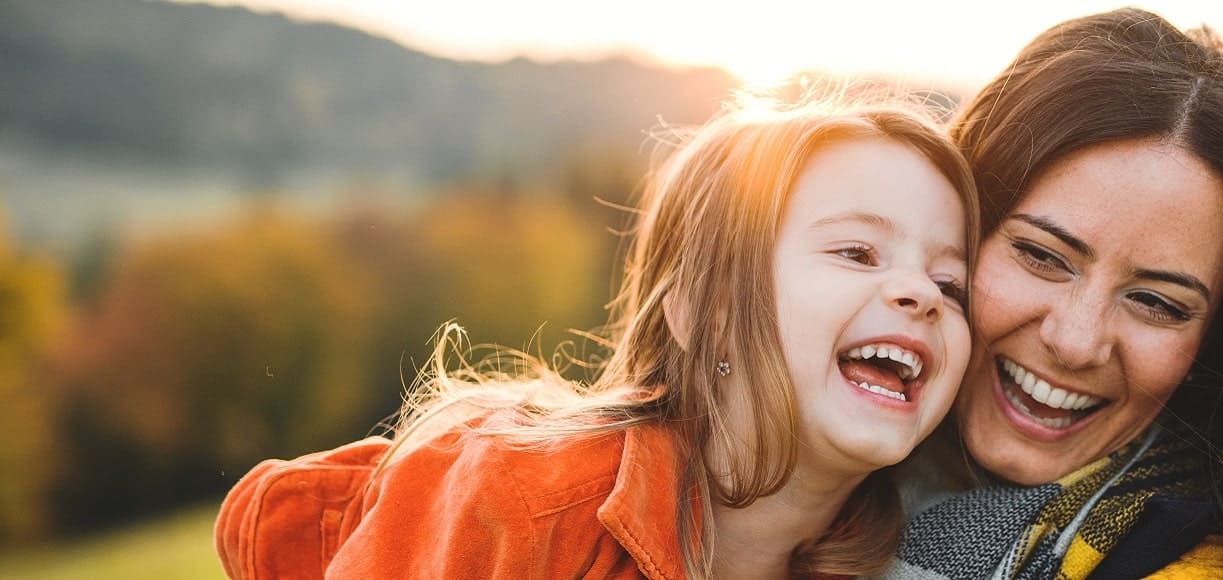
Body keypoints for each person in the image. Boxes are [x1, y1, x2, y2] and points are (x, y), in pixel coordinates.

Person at [214, 93, 980, 579]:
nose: (921, 294)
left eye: (951, 284)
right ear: (704, 310)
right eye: (856, 252)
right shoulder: (519, 498)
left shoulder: (905, 558)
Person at [887, 9, 1223, 579]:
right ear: (955, 228)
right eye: (1042, 256)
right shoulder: (803, 463)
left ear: (1221, 341)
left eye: (1157, 303)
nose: (1076, 342)